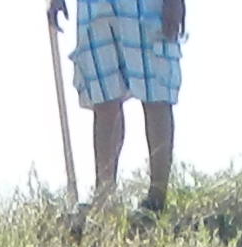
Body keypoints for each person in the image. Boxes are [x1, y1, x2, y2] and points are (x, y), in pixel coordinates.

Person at [50, 0, 185, 219]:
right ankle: (104, 199)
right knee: (104, 97)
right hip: (94, 6)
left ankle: (156, 199)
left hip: (145, 6)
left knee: (155, 93)